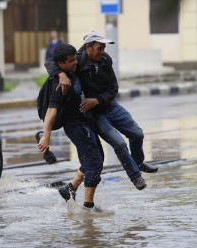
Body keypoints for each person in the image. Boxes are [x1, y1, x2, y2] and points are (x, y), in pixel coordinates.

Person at [44, 30, 158, 191]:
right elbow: (51, 62)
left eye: (104, 47)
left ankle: (138, 162)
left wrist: (98, 100)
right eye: (99, 48)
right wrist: (61, 74)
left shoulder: (105, 60)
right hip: (96, 114)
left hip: (111, 106)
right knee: (118, 143)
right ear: (88, 48)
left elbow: (113, 87)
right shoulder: (78, 61)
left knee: (137, 134)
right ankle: (135, 176)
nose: (103, 51)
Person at [38, 43, 104, 211]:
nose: (76, 62)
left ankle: (70, 188)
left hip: (86, 122)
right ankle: (89, 206)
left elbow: (86, 46)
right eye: (71, 61)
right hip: (76, 126)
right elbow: (52, 110)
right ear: (61, 64)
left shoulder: (68, 71)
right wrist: (46, 136)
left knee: (98, 157)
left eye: (75, 59)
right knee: (94, 162)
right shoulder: (60, 85)